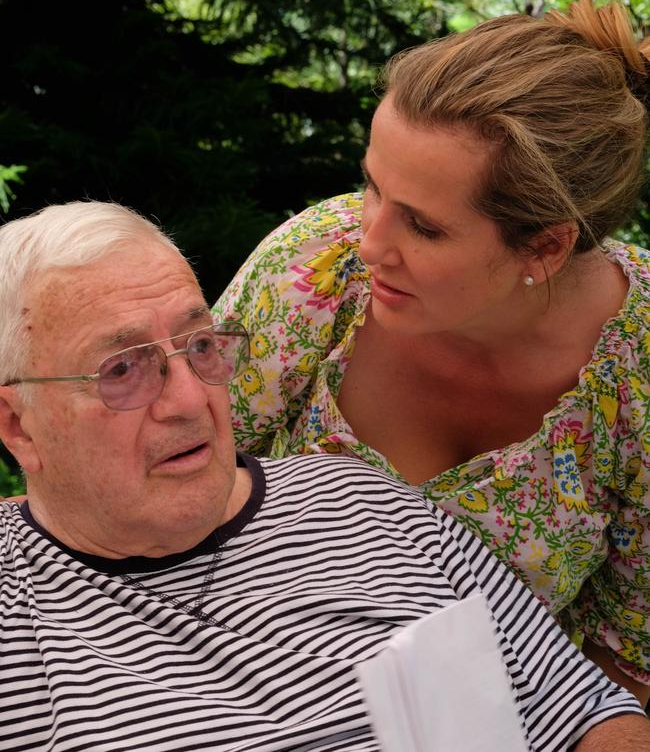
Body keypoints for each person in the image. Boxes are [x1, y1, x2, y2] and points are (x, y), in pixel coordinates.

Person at [0, 201, 648, 752]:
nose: (191, 400)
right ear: (19, 424)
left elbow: (588, 710)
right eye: (122, 370)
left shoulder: (367, 500)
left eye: (201, 346)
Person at [213, 0, 650, 702]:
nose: (369, 242)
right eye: (371, 186)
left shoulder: (639, 372)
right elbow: (173, 472)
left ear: (543, 246)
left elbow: (631, 651)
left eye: (423, 227)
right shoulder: (314, 271)